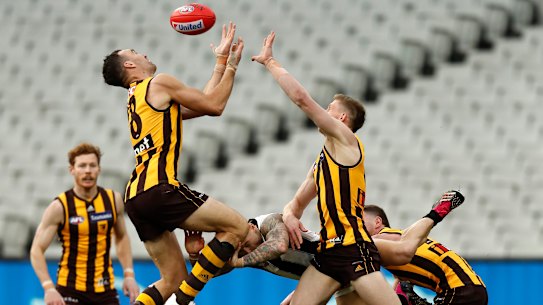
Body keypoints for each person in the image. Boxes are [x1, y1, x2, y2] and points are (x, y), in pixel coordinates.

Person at [251, 31, 465, 305]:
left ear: (341, 118)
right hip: (327, 254)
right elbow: (296, 203)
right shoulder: (321, 163)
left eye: (329, 108)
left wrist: (271, 63)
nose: (323, 111)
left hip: (355, 249)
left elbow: (302, 100)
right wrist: (290, 215)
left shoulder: (347, 141)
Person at [101, 23, 248, 305]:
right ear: (130, 64)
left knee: (173, 278)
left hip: (135, 196)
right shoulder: (158, 83)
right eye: (135, 52)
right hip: (159, 188)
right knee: (238, 228)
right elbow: (215, 106)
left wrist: (218, 61)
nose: (144, 53)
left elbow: (201, 105)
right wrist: (231, 66)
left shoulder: (137, 100)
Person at [184, 190, 463, 305]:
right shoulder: (244, 246)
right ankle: (406, 294)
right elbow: (214, 270)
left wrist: (239, 262)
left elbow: (280, 245)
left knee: (402, 250)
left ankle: (437, 210)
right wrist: (198, 255)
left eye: (242, 245)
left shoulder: (269, 222)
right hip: (333, 279)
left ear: (251, 226)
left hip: (343, 253)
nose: (241, 250)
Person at [29, 143, 139, 305]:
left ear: (99, 169)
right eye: (82, 166)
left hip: (105, 290)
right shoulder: (60, 206)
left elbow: (122, 237)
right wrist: (49, 288)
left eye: (92, 165)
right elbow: (36, 249)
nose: (88, 170)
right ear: (72, 170)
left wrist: (129, 275)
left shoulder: (113, 200)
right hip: (70, 290)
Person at [364, 204, 488, 305]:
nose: (356, 227)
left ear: (378, 222)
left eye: (360, 222)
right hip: (472, 287)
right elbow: (400, 287)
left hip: (459, 289)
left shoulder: (379, 238)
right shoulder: (402, 241)